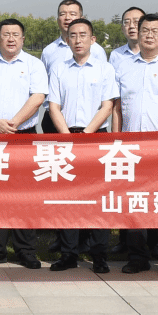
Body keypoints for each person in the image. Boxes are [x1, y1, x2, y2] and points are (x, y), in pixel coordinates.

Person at [0, 17, 51, 268]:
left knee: (25, 195)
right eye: (6, 34)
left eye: (16, 34)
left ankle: (26, 250)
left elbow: (38, 97)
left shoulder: (34, 64)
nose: (11, 39)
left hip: (24, 135)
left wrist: (13, 122)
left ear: (23, 39)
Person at [111, 11, 158, 274]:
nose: (149, 35)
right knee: (135, 203)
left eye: (155, 31)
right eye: (145, 30)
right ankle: (137, 257)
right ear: (138, 34)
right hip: (131, 148)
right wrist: (117, 141)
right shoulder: (123, 66)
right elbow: (117, 108)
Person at [44, 17, 118, 273]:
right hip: (66, 136)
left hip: (95, 136)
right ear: (67, 40)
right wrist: (67, 136)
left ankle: (99, 255)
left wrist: (87, 133)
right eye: (73, 35)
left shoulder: (105, 69)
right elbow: (54, 106)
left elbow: (107, 106)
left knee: (99, 198)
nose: (78, 40)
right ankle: (68, 254)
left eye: (83, 35)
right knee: (68, 199)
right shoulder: (59, 68)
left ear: (92, 39)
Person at [41, 0, 85, 74]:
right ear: (58, 20)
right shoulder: (48, 51)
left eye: (72, 14)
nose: (67, 18)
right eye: (62, 14)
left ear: (82, 19)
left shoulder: (95, 50)